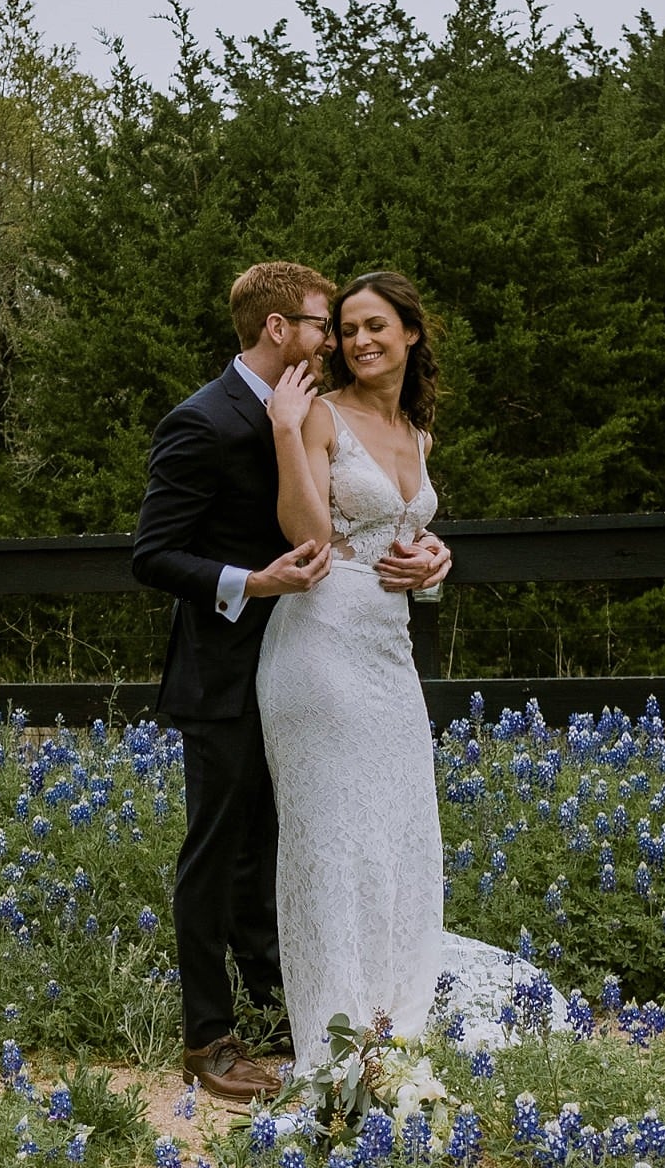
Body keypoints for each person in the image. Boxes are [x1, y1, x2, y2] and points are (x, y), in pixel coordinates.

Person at [130, 260, 339, 1102]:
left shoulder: (306, 415)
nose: (331, 338)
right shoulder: (201, 421)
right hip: (221, 672)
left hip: (294, 666)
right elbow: (152, 554)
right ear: (278, 329)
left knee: (270, 846)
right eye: (322, 322)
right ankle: (206, 1037)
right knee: (215, 854)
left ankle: (280, 1009)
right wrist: (249, 582)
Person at [256, 270, 455, 1072]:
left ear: (411, 332)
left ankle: (394, 1013)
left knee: (401, 829)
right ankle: (339, 1031)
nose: (360, 341)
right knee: (335, 837)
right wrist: (283, 429)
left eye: (377, 326)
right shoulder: (321, 416)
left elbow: (410, 542)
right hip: (320, 643)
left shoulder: (420, 434)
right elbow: (307, 536)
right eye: (347, 329)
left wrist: (437, 562)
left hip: (389, 651)